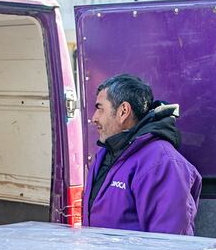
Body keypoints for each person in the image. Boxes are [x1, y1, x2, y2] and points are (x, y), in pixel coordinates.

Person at [84, 74, 202, 234]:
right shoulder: (106, 153)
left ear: (123, 111)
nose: (94, 118)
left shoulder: (162, 162)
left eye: (100, 109)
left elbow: (169, 243)